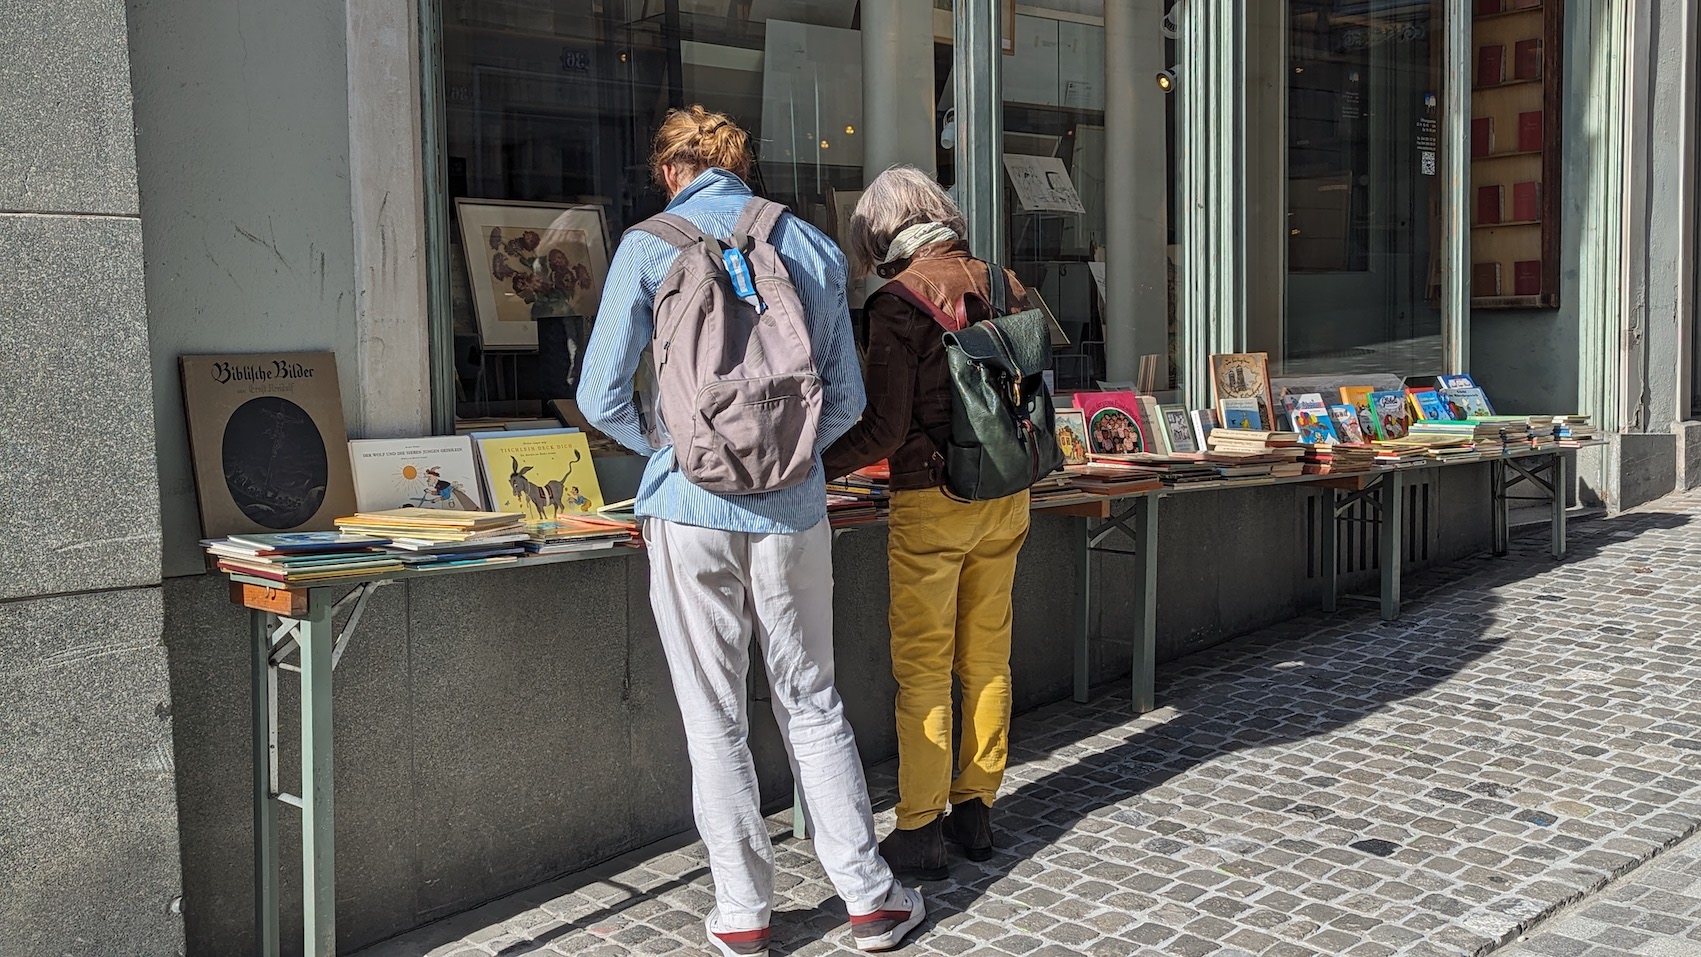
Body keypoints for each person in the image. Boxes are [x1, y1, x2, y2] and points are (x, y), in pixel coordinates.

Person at [578, 106, 925, 957]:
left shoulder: (645, 246)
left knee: (713, 713)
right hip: (793, 509)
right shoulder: (803, 244)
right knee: (811, 699)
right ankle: (870, 898)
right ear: (743, 166)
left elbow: (598, 398)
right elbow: (845, 400)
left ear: (670, 172)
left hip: (686, 508)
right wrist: (787, 457)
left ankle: (741, 912)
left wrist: (670, 445)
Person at [822, 166, 1033, 880]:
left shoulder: (897, 302)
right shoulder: (1004, 282)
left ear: (879, 234)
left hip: (931, 499)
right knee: (985, 657)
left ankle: (918, 828)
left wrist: (814, 465)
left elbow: (883, 428)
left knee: (922, 670)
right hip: (1005, 492)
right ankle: (976, 810)